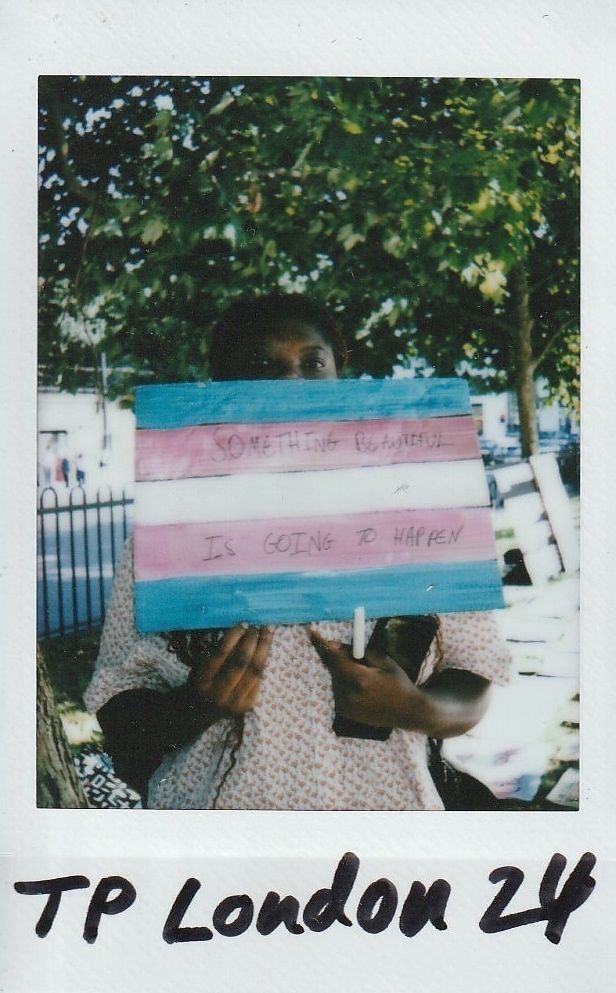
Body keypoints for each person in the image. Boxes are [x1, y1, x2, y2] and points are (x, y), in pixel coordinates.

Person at [84, 293, 511, 810]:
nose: (290, 383)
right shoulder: (169, 536)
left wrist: (414, 706)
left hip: (385, 818)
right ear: (223, 386)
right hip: (219, 833)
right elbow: (119, 705)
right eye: (260, 365)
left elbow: (474, 674)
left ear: (339, 375)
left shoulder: (416, 515)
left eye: (312, 362)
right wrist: (194, 707)